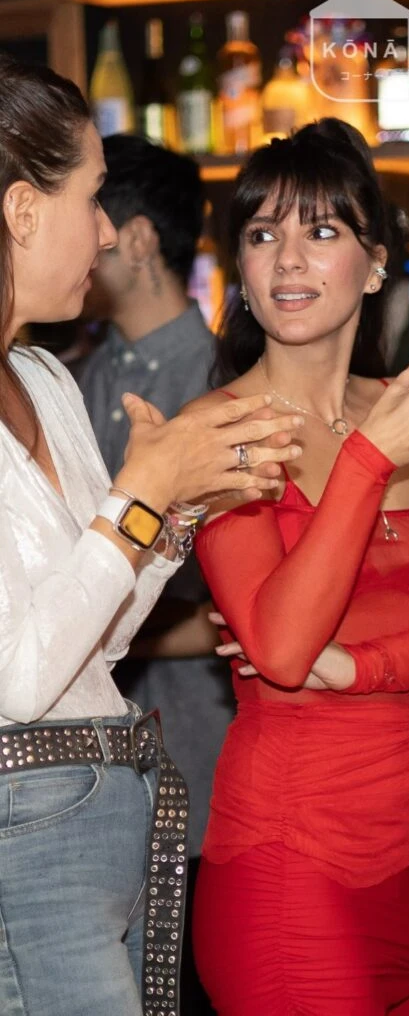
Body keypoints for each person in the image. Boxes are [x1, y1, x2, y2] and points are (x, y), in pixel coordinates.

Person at [184, 117, 409, 1016]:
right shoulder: (219, 432)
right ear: (240, 269)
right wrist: (372, 458)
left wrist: (363, 667)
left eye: (321, 231)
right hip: (289, 855)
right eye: (263, 236)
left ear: (374, 265)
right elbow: (284, 648)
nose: (288, 260)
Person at [0, 54, 304, 1016]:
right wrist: (142, 492)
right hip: (23, 824)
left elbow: (99, 637)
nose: (104, 231)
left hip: (105, 801)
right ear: (22, 211)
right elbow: (17, 678)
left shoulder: (45, 377)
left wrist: (177, 510)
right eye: (90, 198)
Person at [75, 133, 232, 1013]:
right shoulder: (72, 376)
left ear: (136, 239)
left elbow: (240, 605)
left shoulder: (218, 384)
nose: (87, 241)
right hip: (86, 772)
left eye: (94, 217)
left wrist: (86, 635)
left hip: (193, 755)